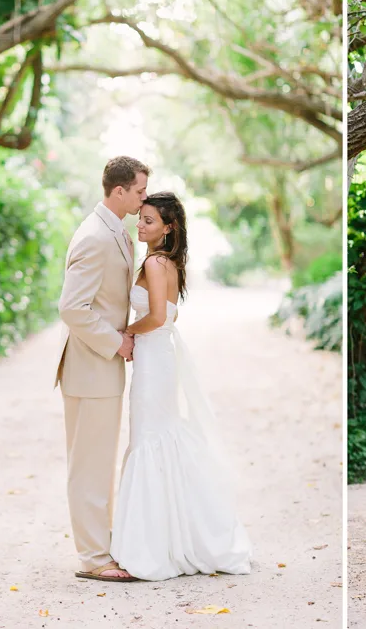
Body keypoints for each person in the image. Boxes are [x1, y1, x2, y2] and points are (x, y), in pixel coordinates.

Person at [109, 191, 252, 581]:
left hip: (155, 361)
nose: (140, 225)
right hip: (159, 358)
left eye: (149, 221)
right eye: (140, 218)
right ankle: (168, 535)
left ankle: (153, 547)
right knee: (158, 439)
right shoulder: (168, 261)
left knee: (148, 441)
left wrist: (124, 333)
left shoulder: (156, 263)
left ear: (168, 228)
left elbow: (156, 317)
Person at [53, 156, 150, 581]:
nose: (145, 197)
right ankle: (93, 560)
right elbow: (72, 307)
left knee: (99, 460)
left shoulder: (117, 231)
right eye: (140, 191)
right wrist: (118, 342)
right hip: (91, 368)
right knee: (89, 464)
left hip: (101, 369)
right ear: (119, 191)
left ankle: (102, 546)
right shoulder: (95, 236)